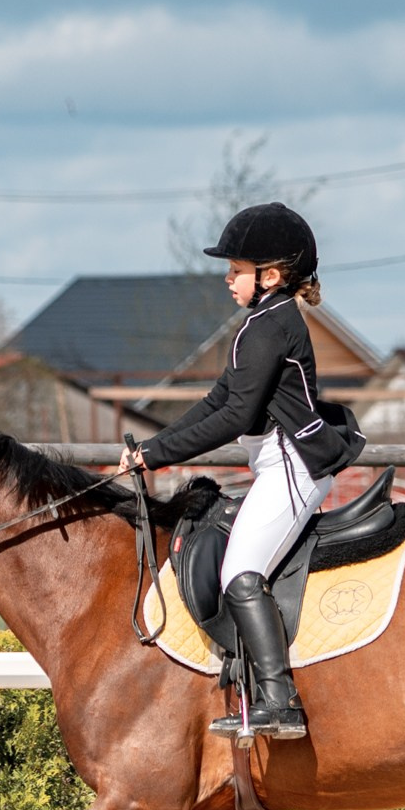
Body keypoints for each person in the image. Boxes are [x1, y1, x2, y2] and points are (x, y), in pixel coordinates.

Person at [119, 202, 362, 739]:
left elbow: (235, 418)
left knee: (239, 572)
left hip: (295, 466)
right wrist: (151, 448)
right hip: (277, 465)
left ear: (270, 276)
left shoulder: (270, 327)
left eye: (236, 270)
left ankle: (281, 702)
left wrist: (159, 455)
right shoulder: (260, 323)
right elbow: (216, 400)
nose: (228, 279)